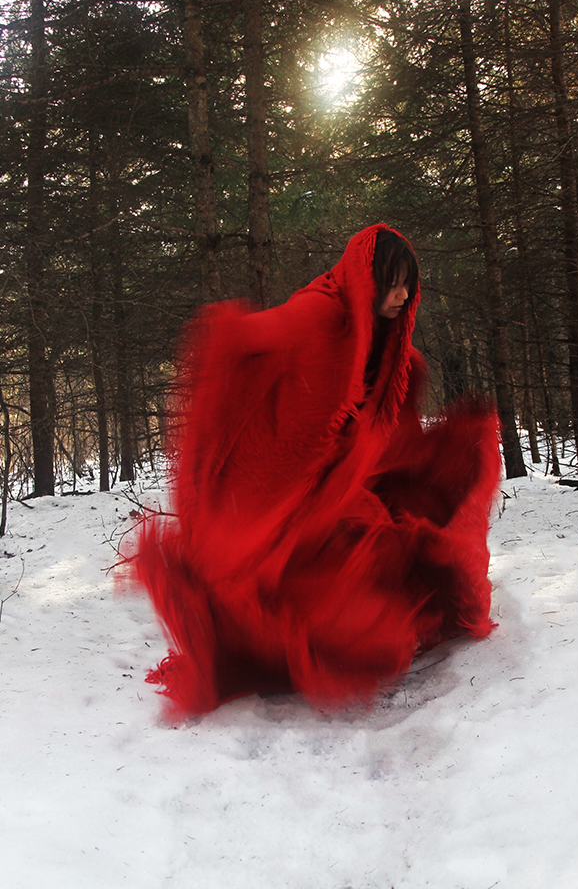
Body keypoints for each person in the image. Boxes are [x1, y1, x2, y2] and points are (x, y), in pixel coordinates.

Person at [128, 223, 501, 719]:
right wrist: (231, 335)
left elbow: (381, 410)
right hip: (296, 491)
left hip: (338, 488)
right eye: (391, 282)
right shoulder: (323, 310)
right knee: (332, 610)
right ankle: (278, 651)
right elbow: (274, 335)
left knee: (409, 543)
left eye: (408, 284)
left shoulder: (387, 342)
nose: (401, 294)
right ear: (366, 281)